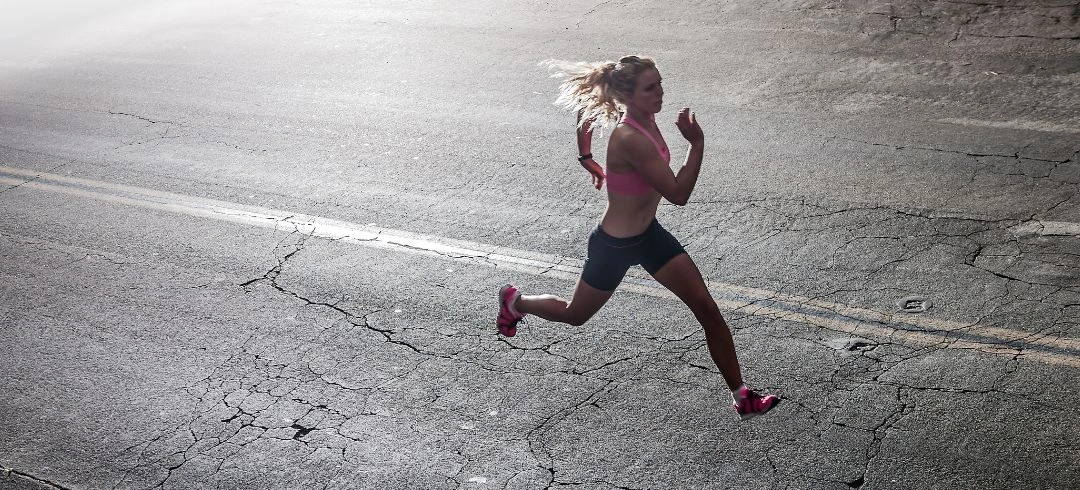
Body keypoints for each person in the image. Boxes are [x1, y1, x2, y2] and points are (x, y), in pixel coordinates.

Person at [497, 55, 779, 420]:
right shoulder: (630, 137)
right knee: (574, 314)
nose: (659, 92)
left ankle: (743, 397)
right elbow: (678, 193)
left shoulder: (644, 118)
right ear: (628, 96)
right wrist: (696, 144)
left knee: (707, 309)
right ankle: (516, 302)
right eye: (650, 88)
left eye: (660, 83)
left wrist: (585, 156)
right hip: (613, 246)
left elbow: (586, 113)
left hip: (649, 236)